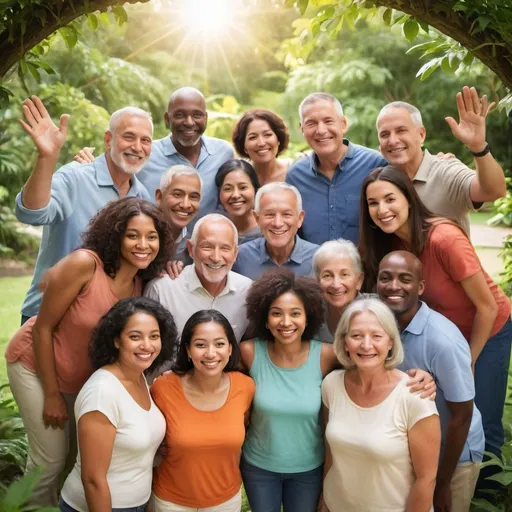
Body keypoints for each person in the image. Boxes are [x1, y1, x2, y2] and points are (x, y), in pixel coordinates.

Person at [5, 198, 173, 506]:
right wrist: (52, 394)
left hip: (79, 377)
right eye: (132, 235)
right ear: (115, 235)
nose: (143, 244)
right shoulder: (85, 264)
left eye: (152, 237)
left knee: (75, 457)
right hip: (34, 365)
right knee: (51, 460)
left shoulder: (139, 282)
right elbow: (42, 328)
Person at [359, 165, 511, 471]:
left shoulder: (444, 238)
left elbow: (487, 307)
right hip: (446, 334)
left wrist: (469, 359)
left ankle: (487, 494)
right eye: (373, 204)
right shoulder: (393, 244)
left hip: (488, 330)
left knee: (481, 414)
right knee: (444, 408)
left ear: (409, 199)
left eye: (390, 199)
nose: (382, 210)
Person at [16, 96, 152, 323]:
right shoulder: (75, 177)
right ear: (108, 140)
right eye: (128, 137)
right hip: (48, 320)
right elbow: (31, 213)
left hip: (99, 324)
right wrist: (46, 157)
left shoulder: (142, 197)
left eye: (145, 140)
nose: (137, 147)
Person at [377, 251, 484, 512]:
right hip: (415, 452)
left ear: (420, 287)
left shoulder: (442, 340)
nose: (394, 286)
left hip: (454, 456)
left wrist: (443, 481)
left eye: (405, 279)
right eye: (385, 278)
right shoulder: (380, 325)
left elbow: (462, 415)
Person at [59, 297, 178, 512]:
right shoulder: (102, 393)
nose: (147, 345)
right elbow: (93, 479)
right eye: (135, 337)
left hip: (135, 502)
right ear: (116, 340)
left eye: (154, 336)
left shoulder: (139, 377)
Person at [321, 298, 440, 512]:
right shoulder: (331, 384)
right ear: (344, 342)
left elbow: (426, 480)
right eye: (356, 335)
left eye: (376, 336)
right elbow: (332, 452)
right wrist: (325, 499)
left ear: (390, 342)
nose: (366, 345)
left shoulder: (414, 396)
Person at [240, 269, 338, 512]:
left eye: (295, 313)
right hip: (259, 468)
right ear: (264, 319)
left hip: (308, 469)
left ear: (308, 318)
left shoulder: (326, 355)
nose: (286, 322)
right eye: (276, 314)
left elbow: (368, 368)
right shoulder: (249, 352)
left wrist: (415, 376)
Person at [76, 87, 234, 226]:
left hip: (207, 253)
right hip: (151, 251)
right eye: (180, 115)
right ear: (167, 119)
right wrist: (89, 163)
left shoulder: (223, 153)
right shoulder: (145, 153)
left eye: (197, 115)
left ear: (205, 118)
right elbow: (113, 166)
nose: (189, 122)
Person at [150, 310, 255, 512]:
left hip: (225, 501)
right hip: (171, 502)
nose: (210, 353)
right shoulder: (163, 388)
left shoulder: (245, 387)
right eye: (200, 345)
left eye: (219, 344)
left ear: (231, 348)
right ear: (188, 350)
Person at [376, 87, 506, 234]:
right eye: (385, 134)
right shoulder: (379, 181)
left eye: (401, 130)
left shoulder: (446, 171)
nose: (393, 141)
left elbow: (494, 191)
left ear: (421, 134)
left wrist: (478, 147)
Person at [286, 92, 386, 245]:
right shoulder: (295, 177)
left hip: (369, 268)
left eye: (328, 121)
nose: (320, 130)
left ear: (343, 124)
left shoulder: (375, 164)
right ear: (302, 129)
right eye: (311, 123)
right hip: (313, 268)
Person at [144, 214, 252, 343]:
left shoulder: (248, 292)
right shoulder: (162, 291)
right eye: (207, 247)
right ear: (191, 249)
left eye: (225, 248)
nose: (216, 257)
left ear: (235, 254)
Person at [233, 182, 319, 280]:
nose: (278, 223)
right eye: (270, 214)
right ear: (257, 218)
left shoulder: (317, 258)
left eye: (286, 214)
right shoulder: (240, 257)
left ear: (300, 219)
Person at [312, 239, 364, 343]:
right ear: (317, 281)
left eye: (344, 274)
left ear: (359, 281)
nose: (336, 284)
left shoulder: (375, 313)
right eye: (327, 275)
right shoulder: (311, 314)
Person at [232, 109, 293, 185]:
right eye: (253, 137)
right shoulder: (237, 175)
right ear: (243, 145)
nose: (261, 143)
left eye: (267, 135)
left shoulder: (294, 172)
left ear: (278, 138)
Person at [156, 164, 202, 262]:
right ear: (159, 196)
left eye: (193, 197)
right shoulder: (142, 237)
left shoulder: (194, 246)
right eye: (177, 194)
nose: (185, 205)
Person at [215, 159, 262, 245]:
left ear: (255, 190)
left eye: (243, 187)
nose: (236, 195)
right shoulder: (213, 228)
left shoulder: (267, 229)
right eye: (228, 189)